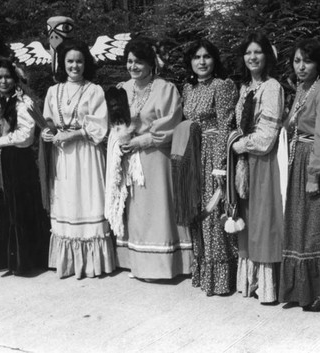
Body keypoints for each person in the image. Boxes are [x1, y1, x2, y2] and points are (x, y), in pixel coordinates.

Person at [113, 37, 193, 279]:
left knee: (158, 207)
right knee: (136, 209)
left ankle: (163, 266)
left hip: (155, 155)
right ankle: (138, 264)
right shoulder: (122, 89)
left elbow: (170, 122)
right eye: (129, 61)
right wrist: (122, 138)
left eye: (138, 62)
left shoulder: (165, 88)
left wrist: (141, 140)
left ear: (150, 64)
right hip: (130, 157)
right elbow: (115, 120)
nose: (133, 66)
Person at [278, 38, 320, 310]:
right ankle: (301, 291)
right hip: (297, 159)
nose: (301, 66)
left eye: (307, 61)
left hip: (313, 161)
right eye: (296, 61)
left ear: (319, 64)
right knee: (300, 225)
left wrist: (315, 174)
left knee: (317, 225)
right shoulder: (303, 88)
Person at [42, 39, 115, 279]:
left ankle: (93, 264)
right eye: (70, 61)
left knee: (88, 199)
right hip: (63, 156)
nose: (75, 66)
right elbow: (49, 121)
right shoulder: (53, 91)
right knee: (67, 201)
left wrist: (74, 134)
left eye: (79, 61)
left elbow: (100, 126)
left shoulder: (94, 90)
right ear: (62, 64)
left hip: (86, 154)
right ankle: (68, 263)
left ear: (86, 63)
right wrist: (47, 131)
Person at [0, 59, 50, 275]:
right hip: (3, 160)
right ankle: (7, 259)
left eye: (7, 76)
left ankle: (25, 261)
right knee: (6, 206)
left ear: (15, 78)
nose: (3, 81)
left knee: (20, 207)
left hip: (19, 161)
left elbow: (26, 136)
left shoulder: (23, 101)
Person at [231, 32, 284, 304]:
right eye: (248, 53)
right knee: (248, 221)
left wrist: (240, 145)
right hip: (245, 164)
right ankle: (249, 281)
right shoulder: (245, 89)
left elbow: (266, 137)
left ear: (267, 56)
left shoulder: (272, 87)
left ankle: (267, 287)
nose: (253, 57)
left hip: (262, 162)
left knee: (263, 221)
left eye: (258, 52)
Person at [182, 39, 238, 295]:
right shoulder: (188, 89)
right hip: (192, 155)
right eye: (196, 57)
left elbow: (226, 125)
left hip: (214, 153)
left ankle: (221, 279)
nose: (201, 62)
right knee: (196, 212)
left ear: (214, 60)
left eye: (206, 57)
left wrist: (220, 167)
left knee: (213, 212)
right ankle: (202, 271)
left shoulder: (222, 86)